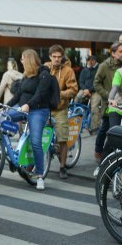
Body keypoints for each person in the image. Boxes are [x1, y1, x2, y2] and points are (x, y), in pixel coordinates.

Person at [7, 49, 56, 191]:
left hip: (38, 111)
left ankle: (40, 176)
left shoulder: (44, 75)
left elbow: (40, 94)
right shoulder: (26, 76)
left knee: (36, 142)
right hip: (23, 108)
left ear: (28, 60)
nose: (21, 61)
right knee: (0, 120)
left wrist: (28, 105)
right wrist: (5, 107)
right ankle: (8, 153)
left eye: (22, 59)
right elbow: (18, 94)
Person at [47, 45, 78, 180]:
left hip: (60, 109)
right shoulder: (45, 68)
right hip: (45, 109)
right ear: (50, 57)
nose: (56, 59)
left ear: (62, 57)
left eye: (59, 57)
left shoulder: (68, 71)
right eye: (54, 57)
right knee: (40, 136)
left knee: (62, 138)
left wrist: (59, 94)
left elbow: (73, 89)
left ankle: (62, 167)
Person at [93, 41, 122, 161]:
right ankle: (98, 150)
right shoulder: (104, 66)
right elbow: (96, 83)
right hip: (109, 103)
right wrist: (108, 96)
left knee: (117, 130)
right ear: (113, 53)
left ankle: (111, 156)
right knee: (105, 128)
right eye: (120, 51)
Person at [75, 55, 101, 132]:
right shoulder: (84, 70)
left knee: (94, 107)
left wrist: (89, 90)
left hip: (96, 90)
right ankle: (77, 118)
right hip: (85, 90)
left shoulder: (99, 69)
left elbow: (98, 82)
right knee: (77, 99)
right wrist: (85, 89)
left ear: (95, 61)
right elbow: (81, 82)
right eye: (88, 60)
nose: (90, 62)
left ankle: (94, 127)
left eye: (92, 60)